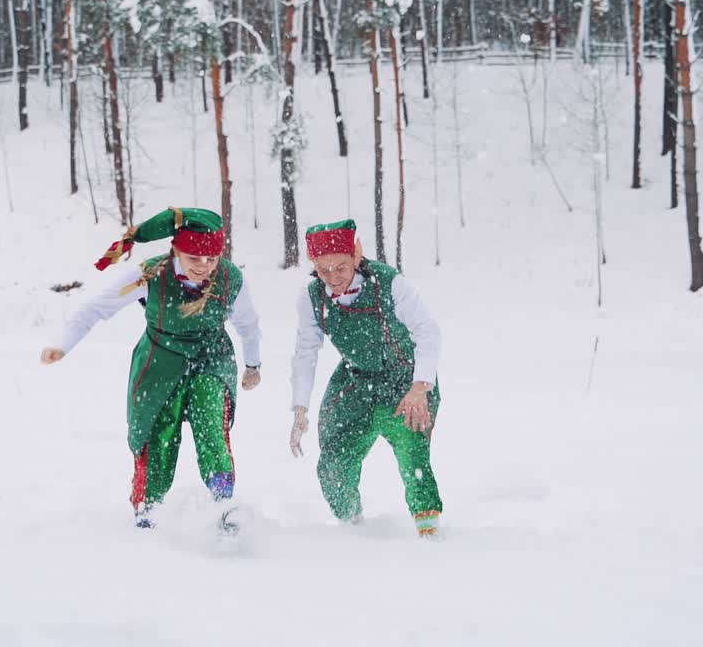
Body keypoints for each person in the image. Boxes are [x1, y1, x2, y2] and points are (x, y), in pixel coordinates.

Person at [41, 207, 261, 531]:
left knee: (210, 420)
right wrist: (62, 344)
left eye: (211, 259)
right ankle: (148, 511)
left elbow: (248, 323)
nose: (204, 267)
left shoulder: (230, 279)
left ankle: (224, 505)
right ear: (176, 250)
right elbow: (96, 309)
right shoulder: (150, 274)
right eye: (194, 259)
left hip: (210, 357)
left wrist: (252, 364)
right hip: (161, 359)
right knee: (157, 435)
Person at [288, 219, 445, 538]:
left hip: (406, 381)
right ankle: (354, 529)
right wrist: (300, 408)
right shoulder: (312, 298)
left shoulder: (390, 284)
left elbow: (428, 331)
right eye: (323, 270)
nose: (333, 278)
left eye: (341, 268)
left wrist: (420, 387)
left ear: (356, 254)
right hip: (355, 383)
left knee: (412, 452)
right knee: (333, 460)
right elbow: (306, 352)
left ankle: (428, 532)